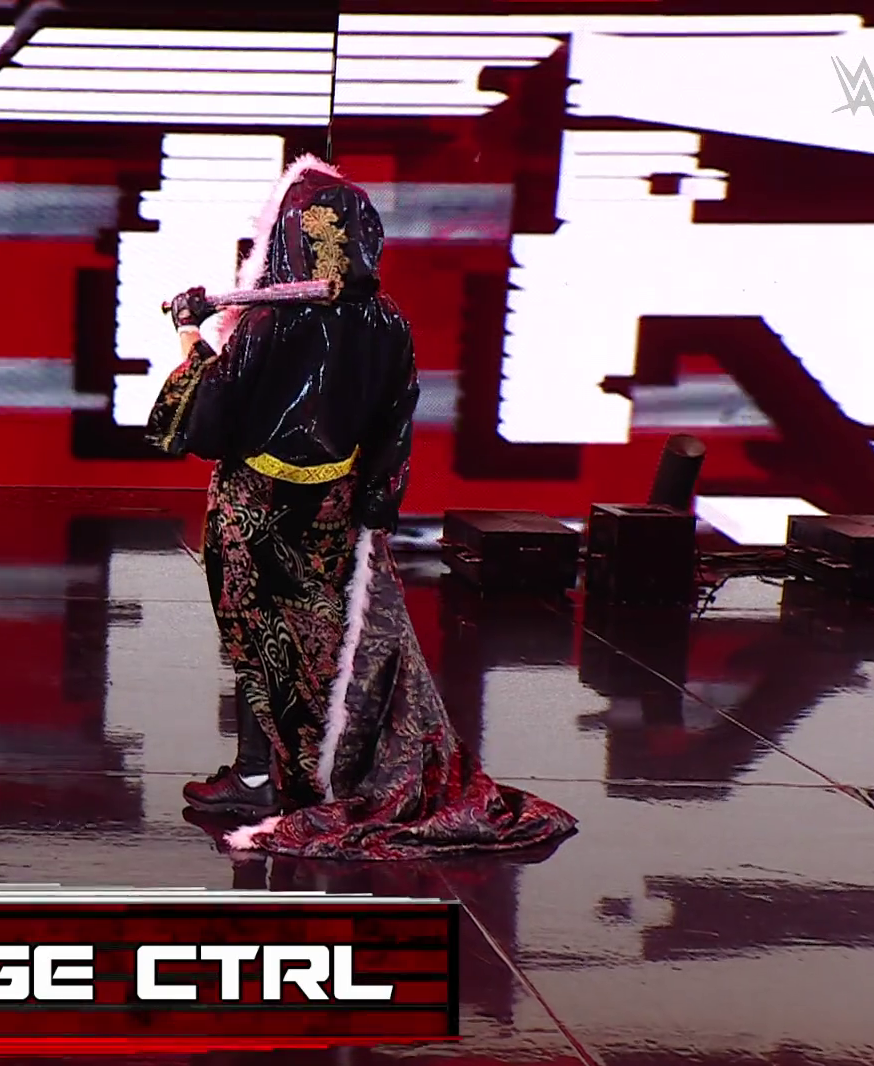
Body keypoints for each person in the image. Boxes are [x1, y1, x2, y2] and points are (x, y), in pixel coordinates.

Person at [146, 156, 577, 860]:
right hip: (334, 509)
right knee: (324, 650)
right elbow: (394, 428)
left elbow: (206, 430)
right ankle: (299, 771)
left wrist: (192, 333)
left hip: (257, 508)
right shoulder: (387, 322)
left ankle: (259, 776)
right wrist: (375, 506)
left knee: (257, 640)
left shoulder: (267, 325)